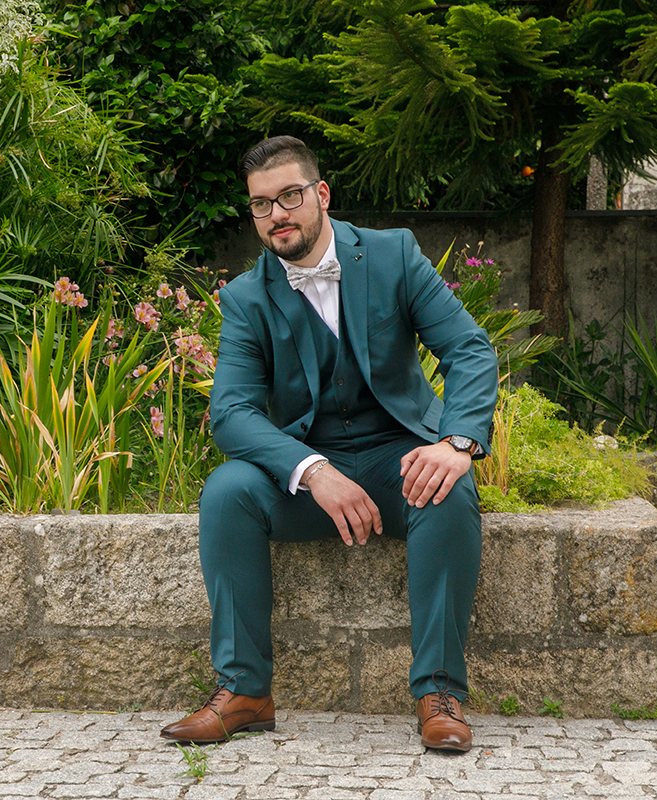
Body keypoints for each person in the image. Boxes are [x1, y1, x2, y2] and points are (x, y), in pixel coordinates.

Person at [160, 136, 498, 752]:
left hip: (400, 456)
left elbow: (469, 349)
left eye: (289, 196)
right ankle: (244, 692)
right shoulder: (246, 297)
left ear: (321, 194)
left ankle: (439, 693)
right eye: (261, 204)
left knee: (449, 492)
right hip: (309, 471)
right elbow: (231, 412)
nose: (276, 215)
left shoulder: (394, 255)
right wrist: (312, 469)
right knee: (227, 492)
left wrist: (457, 442)